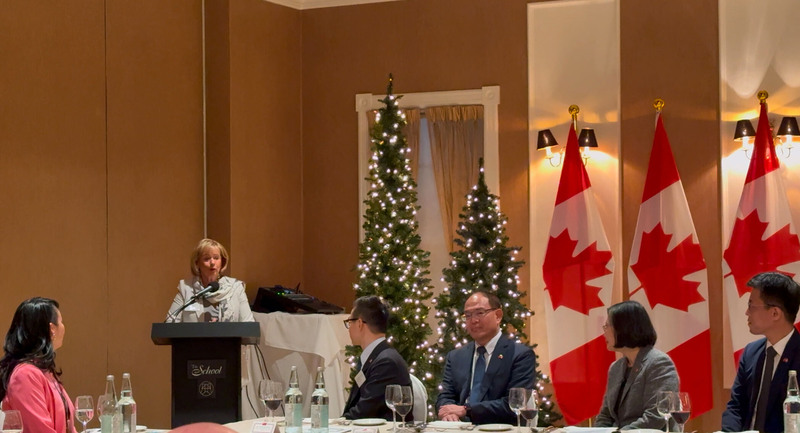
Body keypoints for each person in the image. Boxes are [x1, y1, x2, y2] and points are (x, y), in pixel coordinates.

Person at [437, 291, 535, 425]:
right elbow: (446, 395)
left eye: (480, 313)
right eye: (468, 315)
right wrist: (448, 414)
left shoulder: (519, 355)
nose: (473, 320)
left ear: (498, 316)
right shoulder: (456, 356)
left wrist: (467, 410)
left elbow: (514, 404)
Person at [722, 272, 800, 433]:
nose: (747, 312)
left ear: (775, 313)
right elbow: (736, 406)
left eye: (751, 305)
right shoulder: (751, 352)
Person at [594, 300, 679, 430]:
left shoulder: (659, 363)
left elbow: (655, 417)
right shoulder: (615, 368)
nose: (604, 332)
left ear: (624, 328)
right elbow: (605, 416)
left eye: (607, 326)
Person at [0, 297, 75, 433]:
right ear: (51, 329)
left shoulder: (44, 370)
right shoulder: (25, 375)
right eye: (61, 322)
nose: (64, 327)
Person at [342, 296, 413, 421]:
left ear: (359, 324)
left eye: (349, 322)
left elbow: (364, 412)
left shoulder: (386, 362)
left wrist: (337, 425)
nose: (349, 329)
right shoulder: (375, 356)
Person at [166, 238, 254, 323]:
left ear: (222, 262)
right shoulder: (186, 288)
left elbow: (249, 325)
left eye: (216, 258)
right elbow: (169, 324)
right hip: (195, 338)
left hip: (229, 338)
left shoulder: (236, 288)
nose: (212, 263)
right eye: (206, 259)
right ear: (197, 263)